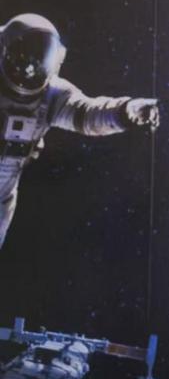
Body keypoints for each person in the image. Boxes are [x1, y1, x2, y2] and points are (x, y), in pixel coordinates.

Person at [0, 13, 158, 248]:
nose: (28, 71)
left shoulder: (51, 96)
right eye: (22, 60)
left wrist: (126, 112)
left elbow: (88, 114)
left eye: (36, 63)